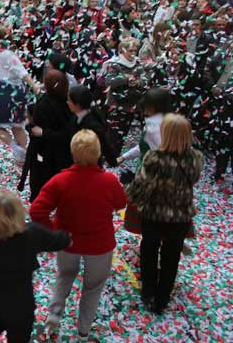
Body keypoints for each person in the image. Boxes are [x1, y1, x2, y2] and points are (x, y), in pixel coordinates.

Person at [29, 130, 128, 339]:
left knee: (64, 276)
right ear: (98, 153)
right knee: (93, 288)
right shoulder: (109, 181)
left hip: (67, 242)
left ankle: (54, 316)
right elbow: (121, 203)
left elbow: (36, 210)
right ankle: (83, 331)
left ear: (73, 153)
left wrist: (53, 232)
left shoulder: (60, 180)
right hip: (99, 245)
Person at [126, 114, 203, 314]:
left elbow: (140, 188)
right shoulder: (195, 158)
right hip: (180, 217)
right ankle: (162, 298)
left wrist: (128, 188)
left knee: (149, 251)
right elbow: (193, 180)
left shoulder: (154, 158)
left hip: (153, 214)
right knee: (172, 256)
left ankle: (148, 291)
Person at [0, 190, 70, 343]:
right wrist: (69, 237)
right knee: (19, 330)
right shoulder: (31, 234)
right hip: (17, 298)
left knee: (1, 317)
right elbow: (60, 240)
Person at [0, 26, 39, 164]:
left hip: (8, 93)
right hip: (8, 91)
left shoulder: (7, 55)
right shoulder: (1, 54)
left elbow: (22, 71)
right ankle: (23, 156)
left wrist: (34, 85)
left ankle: (19, 150)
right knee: (16, 125)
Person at [118, 87, 171, 234]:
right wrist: (124, 157)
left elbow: (156, 151)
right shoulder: (167, 121)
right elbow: (144, 145)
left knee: (146, 216)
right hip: (158, 174)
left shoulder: (154, 126)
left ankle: (151, 241)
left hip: (151, 176)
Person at [18, 70, 73, 202]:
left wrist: (30, 126)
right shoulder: (69, 102)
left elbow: (37, 130)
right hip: (63, 153)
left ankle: (37, 201)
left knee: (40, 181)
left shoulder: (44, 104)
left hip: (43, 152)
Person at [66, 85, 117, 167]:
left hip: (89, 164)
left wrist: (113, 162)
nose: (67, 103)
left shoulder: (92, 125)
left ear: (77, 104)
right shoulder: (75, 117)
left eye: (69, 100)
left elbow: (104, 145)